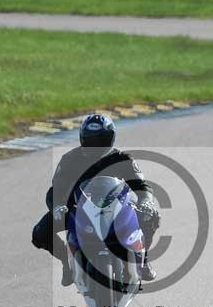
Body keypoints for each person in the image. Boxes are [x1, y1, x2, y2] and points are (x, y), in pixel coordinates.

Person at [32, 114, 160, 286]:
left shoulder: (122, 159)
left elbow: (142, 185)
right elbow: (56, 190)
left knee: (151, 216)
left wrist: (146, 201)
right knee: (40, 232)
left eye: (102, 140)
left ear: (111, 138)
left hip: (117, 209)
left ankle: (142, 259)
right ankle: (66, 262)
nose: (96, 145)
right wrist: (58, 206)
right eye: (91, 140)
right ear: (82, 139)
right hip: (78, 209)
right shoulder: (69, 159)